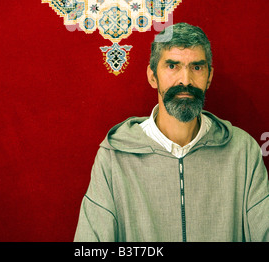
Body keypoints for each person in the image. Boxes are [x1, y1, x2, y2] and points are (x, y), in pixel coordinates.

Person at [74, 22, 269, 242]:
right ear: (152, 76)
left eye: (197, 67)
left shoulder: (243, 151)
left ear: (210, 77)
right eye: (172, 66)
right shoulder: (114, 157)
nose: (186, 80)